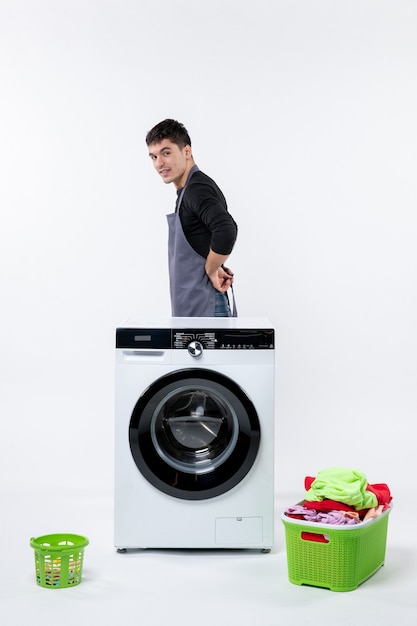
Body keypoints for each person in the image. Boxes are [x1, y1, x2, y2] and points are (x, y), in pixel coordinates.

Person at [146, 119, 238, 317]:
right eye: (153, 157)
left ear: (186, 151)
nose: (159, 163)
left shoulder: (196, 189)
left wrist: (212, 269)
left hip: (204, 307)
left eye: (166, 153)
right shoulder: (187, 190)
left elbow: (226, 230)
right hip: (195, 307)